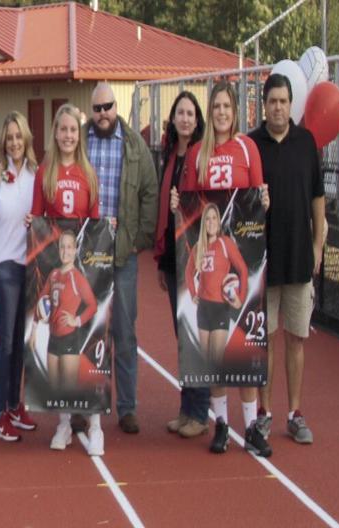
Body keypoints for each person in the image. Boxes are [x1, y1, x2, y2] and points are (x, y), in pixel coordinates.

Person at [173, 81, 272, 456]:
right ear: (209, 111)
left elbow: (258, 202)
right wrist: (175, 205)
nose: (221, 113)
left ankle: (251, 427)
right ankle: (222, 425)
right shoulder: (198, 153)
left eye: (227, 106)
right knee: (214, 360)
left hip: (240, 251)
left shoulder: (248, 148)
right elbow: (190, 210)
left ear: (235, 110)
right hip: (207, 253)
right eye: (216, 107)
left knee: (244, 353)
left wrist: (265, 199)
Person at [247, 73, 326, 446]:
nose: (277, 107)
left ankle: (295, 413)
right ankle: (264, 413)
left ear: (290, 104)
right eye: (272, 101)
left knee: (296, 339)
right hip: (263, 262)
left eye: (283, 101)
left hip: (298, 260)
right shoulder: (251, 144)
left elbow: (318, 202)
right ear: (263, 104)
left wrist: (318, 246)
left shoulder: (307, 143)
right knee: (265, 340)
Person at [79, 82, 157, 435]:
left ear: (116, 106)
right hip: (86, 256)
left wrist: (138, 239)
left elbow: (149, 192)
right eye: (97, 109)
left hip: (122, 256)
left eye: (107, 106)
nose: (103, 114)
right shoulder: (79, 141)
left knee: (124, 333)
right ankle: (84, 401)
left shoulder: (133, 145)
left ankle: (126, 407)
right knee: (87, 331)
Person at [27, 103, 104, 456]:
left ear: (79, 134)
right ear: (55, 133)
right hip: (55, 267)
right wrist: (33, 226)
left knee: (84, 357)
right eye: (63, 130)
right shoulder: (46, 171)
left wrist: (108, 230)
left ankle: (94, 424)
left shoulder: (88, 172)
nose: (68, 136)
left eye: (74, 130)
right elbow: (40, 221)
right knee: (58, 361)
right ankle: (63, 424)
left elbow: (95, 225)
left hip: (81, 267)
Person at [0, 111, 38, 443]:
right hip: (3, 267)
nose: (14, 142)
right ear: (3, 141)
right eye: (9, 137)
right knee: (8, 342)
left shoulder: (34, 173)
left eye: (19, 136)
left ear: (26, 138)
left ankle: (15, 404)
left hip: (28, 266)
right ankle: (0, 414)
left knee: (21, 341)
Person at [153, 91, 211, 440]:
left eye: (190, 113)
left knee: (194, 335)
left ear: (196, 119)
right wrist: (161, 258)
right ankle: (186, 407)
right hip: (173, 255)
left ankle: (200, 411)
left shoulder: (202, 153)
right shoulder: (170, 155)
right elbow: (166, 208)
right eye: (180, 112)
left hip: (195, 255)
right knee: (181, 335)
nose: (186, 118)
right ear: (173, 118)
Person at [184, 203, 248, 366]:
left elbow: (242, 269)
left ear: (219, 222)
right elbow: (188, 273)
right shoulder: (199, 248)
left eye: (214, 218)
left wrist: (240, 297)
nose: (211, 222)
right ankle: (210, 393)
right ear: (203, 223)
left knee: (216, 361)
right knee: (205, 362)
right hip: (203, 309)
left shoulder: (225, 243)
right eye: (207, 219)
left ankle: (220, 393)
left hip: (220, 308)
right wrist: (193, 294)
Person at [34, 231, 97, 393]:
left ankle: (82, 418)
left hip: (69, 339)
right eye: (62, 247)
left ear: (75, 250)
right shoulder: (54, 275)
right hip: (52, 339)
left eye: (69, 247)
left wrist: (76, 321)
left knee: (68, 390)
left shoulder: (77, 278)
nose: (65, 251)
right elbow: (41, 301)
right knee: (54, 389)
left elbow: (92, 305)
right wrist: (34, 330)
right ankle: (63, 420)